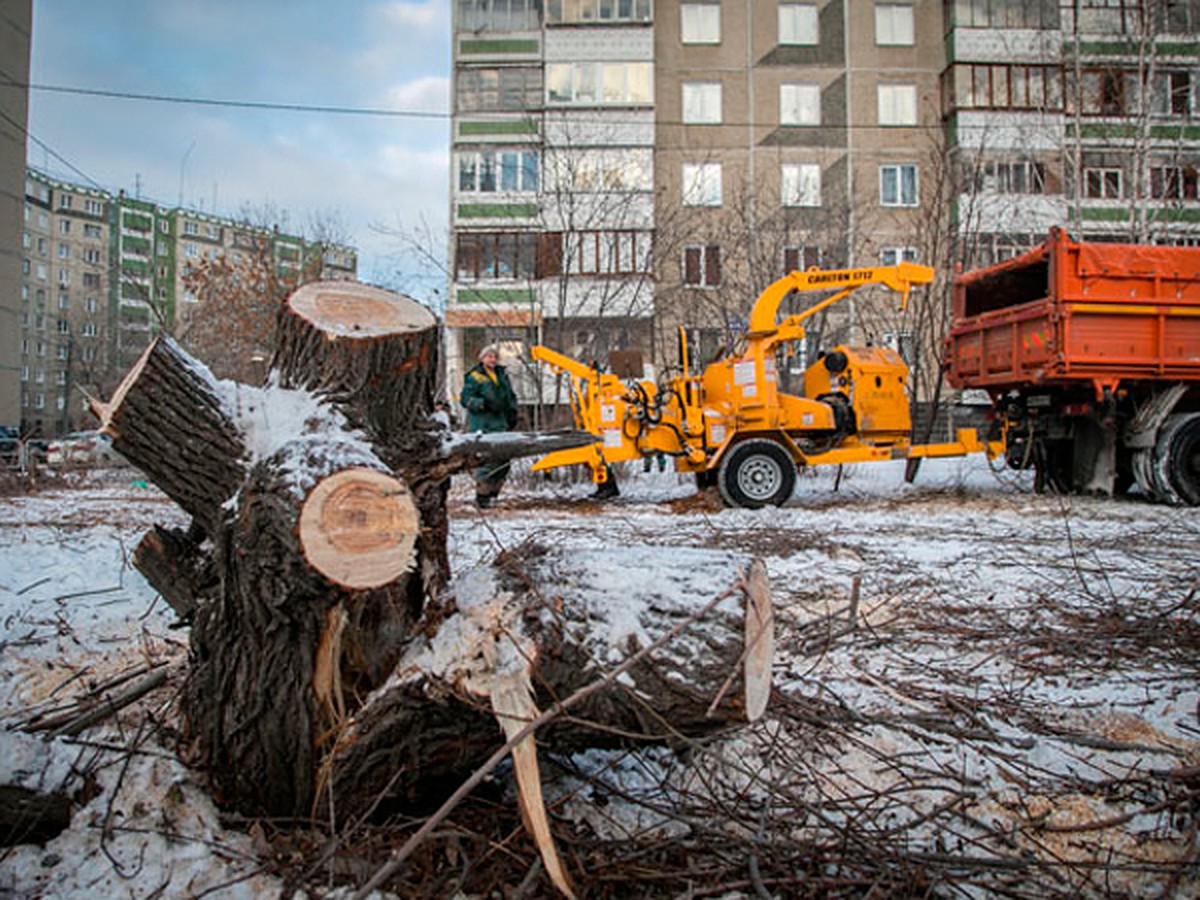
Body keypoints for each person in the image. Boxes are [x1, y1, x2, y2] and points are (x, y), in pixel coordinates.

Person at [460, 344, 519, 508]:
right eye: (489, 356)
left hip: (501, 423)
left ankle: (494, 495)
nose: (492, 359)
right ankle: (482, 497)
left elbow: (510, 396)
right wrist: (483, 404)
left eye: (494, 357)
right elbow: (465, 400)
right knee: (487, 461)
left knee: (503, 461)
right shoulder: (475, 376)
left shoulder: (502, 375)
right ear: (482, 358)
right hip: (484, 425)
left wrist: (513, 411)